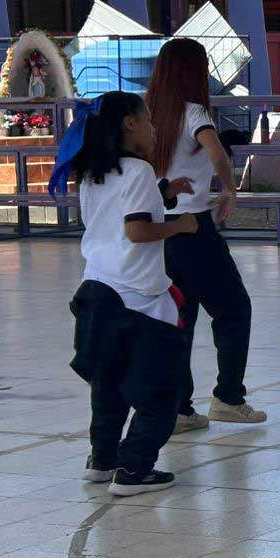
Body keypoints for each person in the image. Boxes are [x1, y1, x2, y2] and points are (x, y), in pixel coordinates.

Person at [51, 92, 196, 496]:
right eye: (146, 118)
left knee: (109, 386)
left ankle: (102, 459)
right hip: (138, 298)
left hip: (97, 291)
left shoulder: (95, 172)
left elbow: (116, 217)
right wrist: (180, 224)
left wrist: (164, 194)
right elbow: (136, 230)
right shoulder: (138, 172)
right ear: (129, 124)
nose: (152, 127)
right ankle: (134, 470)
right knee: (161, 392)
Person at [146, 38, 263, 429]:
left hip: (162, 230)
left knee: (181, 316)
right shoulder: (193, 111)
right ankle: (228, 396)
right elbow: (216, 152)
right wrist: (229, 187)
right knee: (234, 308)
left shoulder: (149, 114)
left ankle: (179, 408)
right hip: (195, 227)